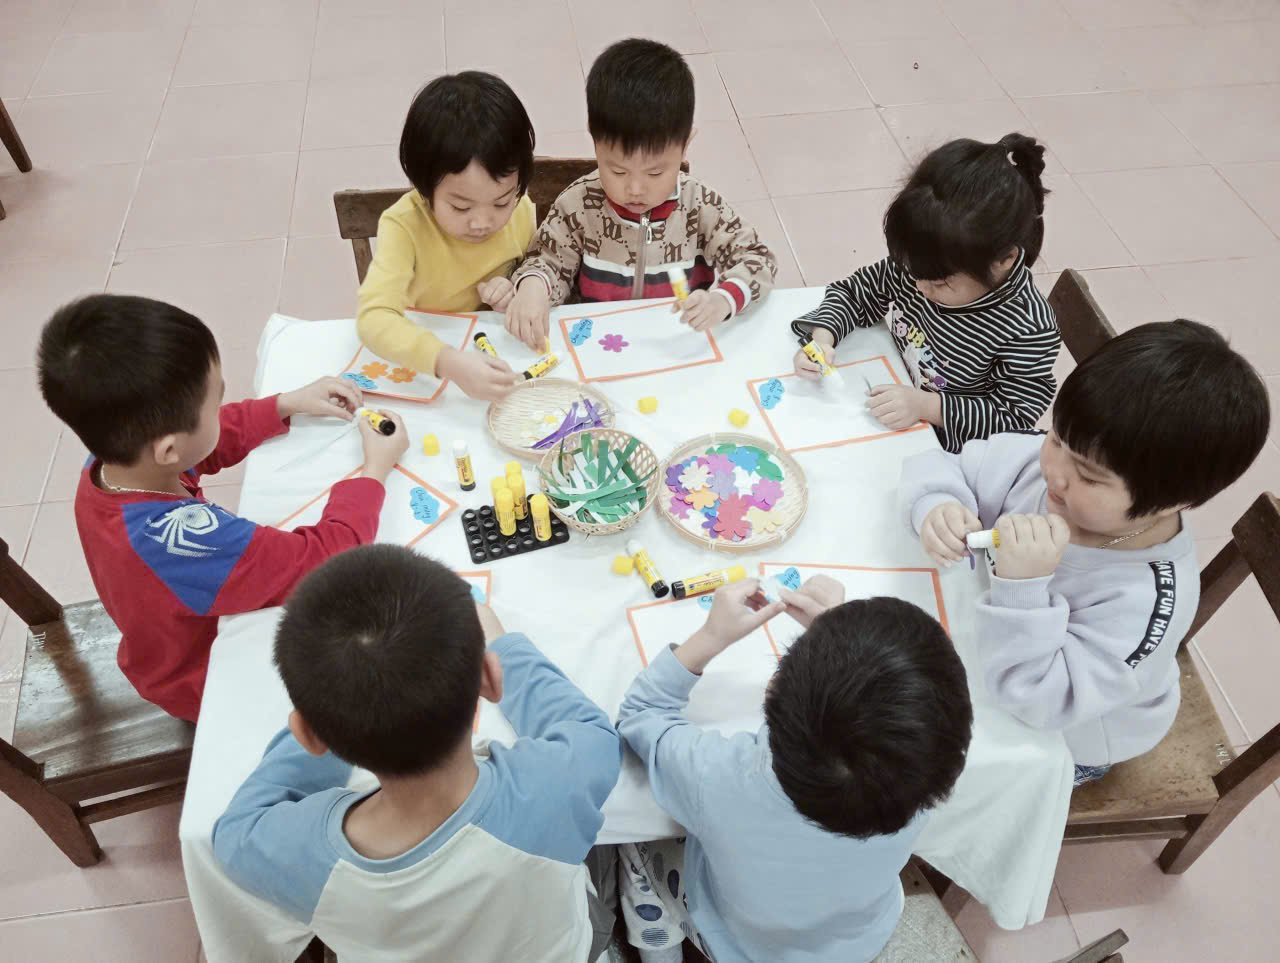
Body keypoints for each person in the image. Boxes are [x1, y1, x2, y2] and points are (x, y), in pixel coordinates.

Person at [900, 319, 1270, 786]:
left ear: (1171, 501)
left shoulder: (1146, 600)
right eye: (1056, 438)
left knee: (927, 774)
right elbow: (945, 466)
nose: (1054, 472)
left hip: (1073, 731)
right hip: (994, 653)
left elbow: (1043, 703)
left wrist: (1022, 589)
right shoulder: (1054, 467)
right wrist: (939, 505)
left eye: (1090, 477)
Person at [213, 547, 622, 961]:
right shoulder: (552, 790)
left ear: (308, 737)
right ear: (490, 678)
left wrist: (339, 710)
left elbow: (234, 832)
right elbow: (590, 731)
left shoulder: (289, 853)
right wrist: (505, 646)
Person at [35, 294, 407, 721]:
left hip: (168, 642)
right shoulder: (184, 539)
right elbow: (323, 561)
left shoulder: (115, 464)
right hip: (205, 677)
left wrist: (284, 403)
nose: (221, 411)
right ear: (169, 450)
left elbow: (200, 446)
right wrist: (374, 472)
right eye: (214, 405)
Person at [616, 577, 973, 962]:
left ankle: (660, 951)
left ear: (772, 689)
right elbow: (883, 717)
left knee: (636, 844)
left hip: (740, 946)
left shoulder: (716, 776)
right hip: (857, 938)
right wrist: (839, 635)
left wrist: (711, 636)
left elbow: (640, 713)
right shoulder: (921, 774)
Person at [792, 134, 1060, 452]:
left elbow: (1013, 415)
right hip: (892, 403)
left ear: (1004, 260)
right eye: (914, 274)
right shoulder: (927, 264)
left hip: (949, 450)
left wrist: (926, 406)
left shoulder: (1028, 328)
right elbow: (856, 292)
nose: (919, 287)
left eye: (939, 283)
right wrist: (822, 340)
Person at [504, 38, 776, 350]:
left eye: (655, 173)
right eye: (617, 171)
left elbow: (758, 259)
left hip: (676, 345)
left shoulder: (701, 205)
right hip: (596, 345)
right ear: (595, 140)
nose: (635, 189)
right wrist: (533, 288)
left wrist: (722, 299)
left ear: (685, 144)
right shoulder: (577, 206)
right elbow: (547, 261)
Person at [357, 71, 535, 401]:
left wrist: (514, 286)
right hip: (429, 363)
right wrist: (447, 362)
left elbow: (532, 268)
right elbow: (373, 318)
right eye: (460, 207)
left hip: (496, 353)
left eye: (500, 202)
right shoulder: (404, 226)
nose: (482, 222)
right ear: (425, 191)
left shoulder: (521, 208)